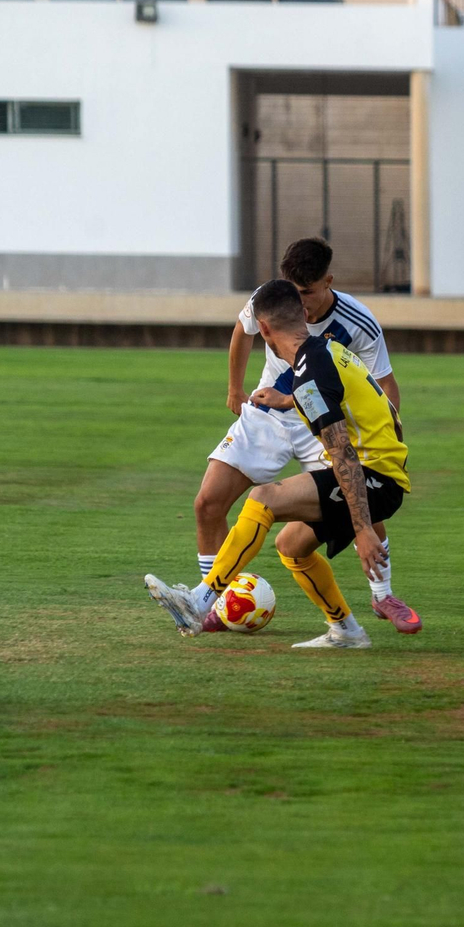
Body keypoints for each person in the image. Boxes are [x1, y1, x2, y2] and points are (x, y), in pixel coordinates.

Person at [147, 278, 411, 649]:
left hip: (376, 478)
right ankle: (347, 632)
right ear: (302, 314)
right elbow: (338, 397)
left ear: (264, 329)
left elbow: (343, 454)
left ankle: (199, 601)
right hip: (381, 473)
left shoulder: (308, 374)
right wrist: (285, 400)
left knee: (263, 499)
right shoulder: (324, 351)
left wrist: (363, 528)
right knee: (291, 546)